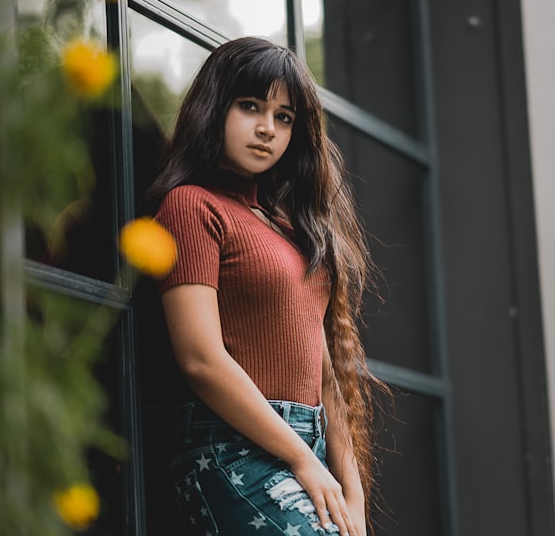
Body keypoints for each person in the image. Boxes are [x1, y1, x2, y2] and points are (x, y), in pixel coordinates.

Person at [144, 37, 383, 536]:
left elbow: (325, 379)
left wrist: (352, 489)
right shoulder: (191, 207)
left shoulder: (290, 229)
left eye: (284, 117)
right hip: (233, 449)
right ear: (215, 108)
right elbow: (201, 360)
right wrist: (302, 458)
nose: (266, 129)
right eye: (250, 106)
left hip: (308, 449)